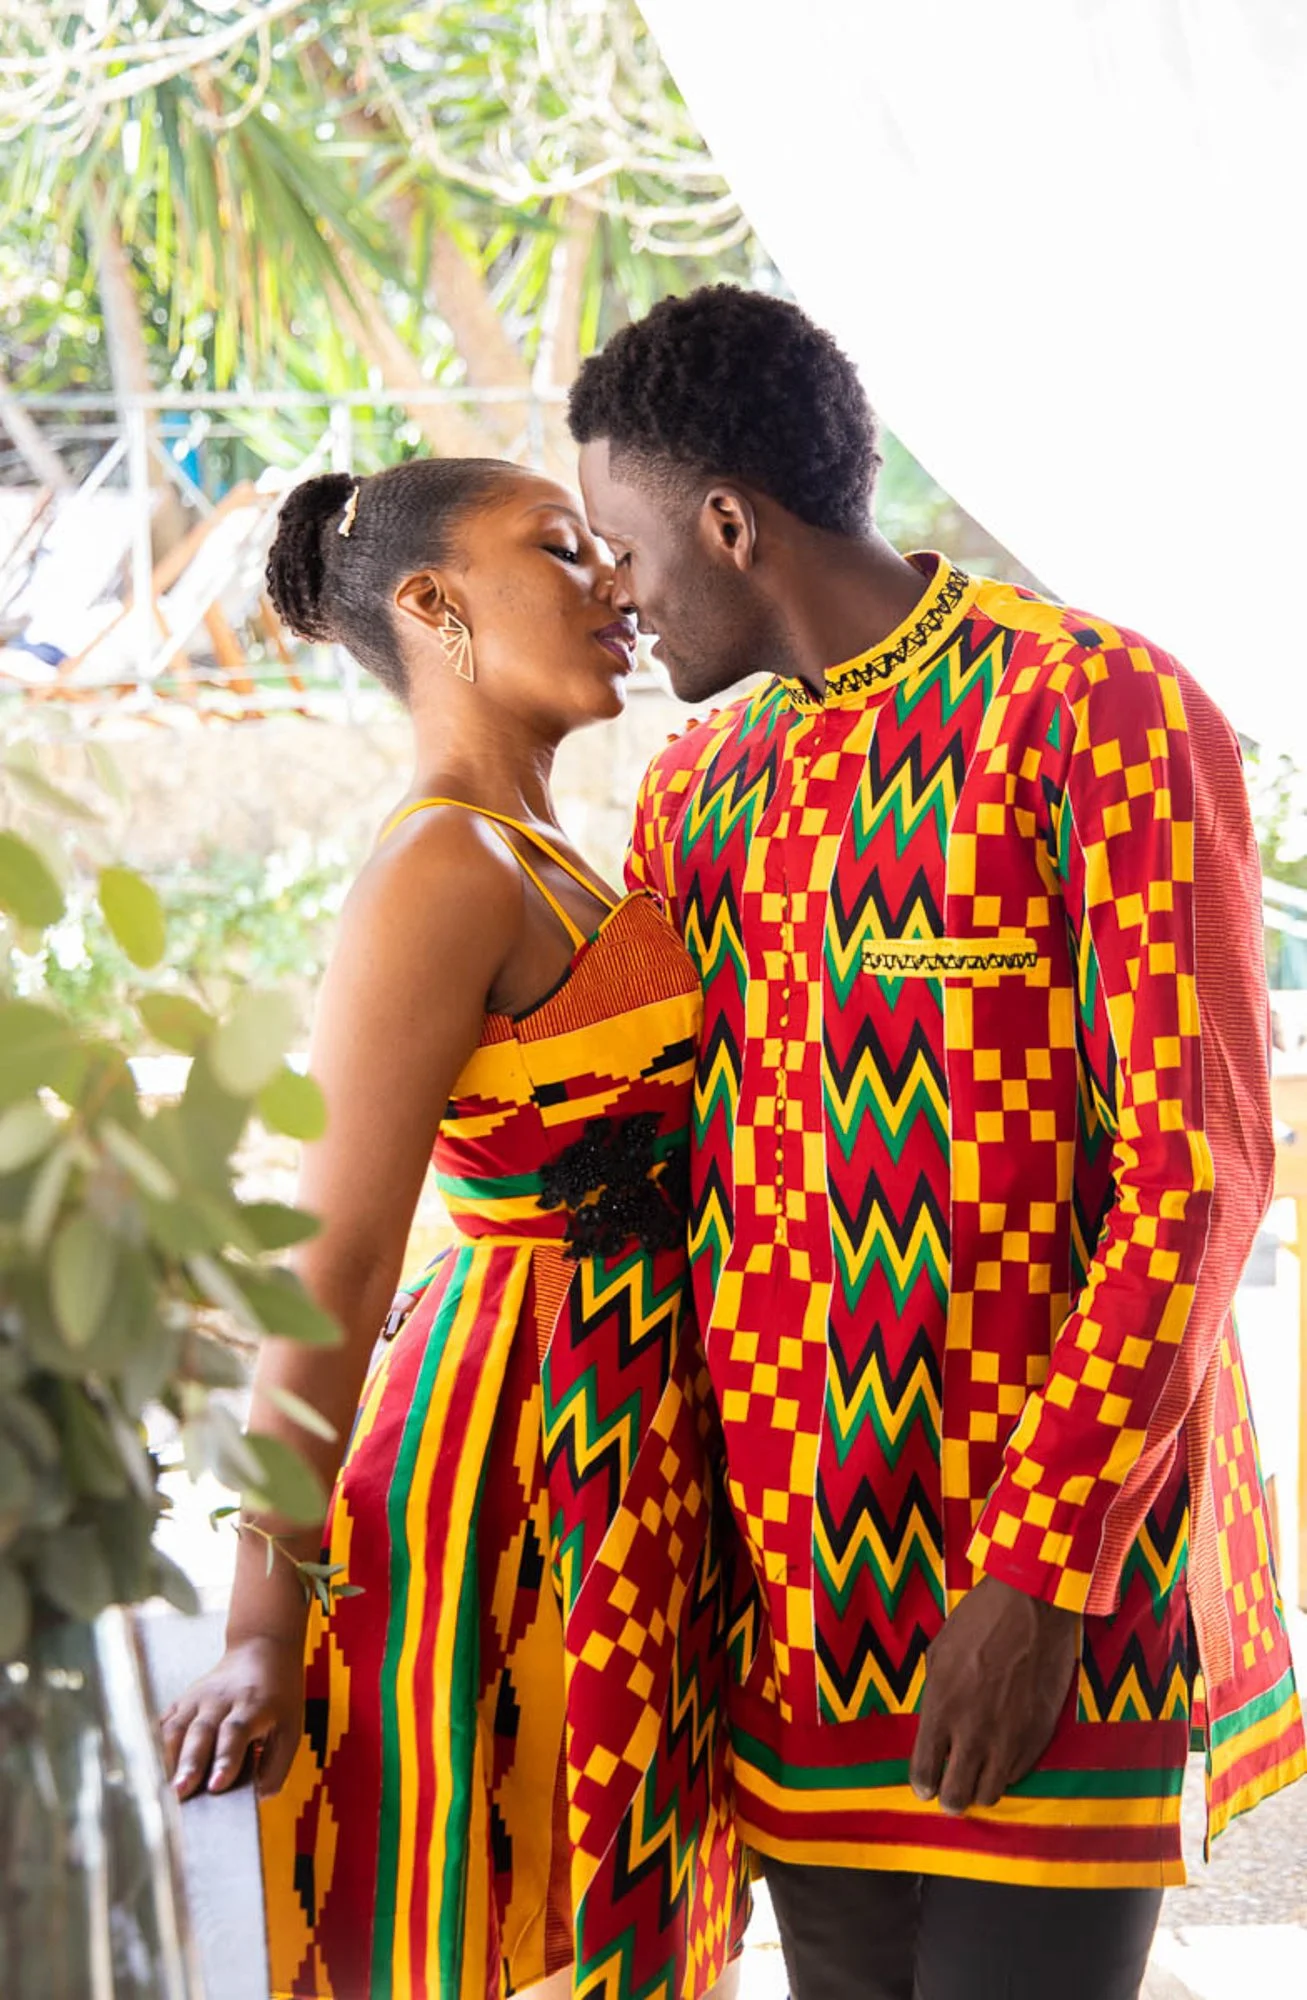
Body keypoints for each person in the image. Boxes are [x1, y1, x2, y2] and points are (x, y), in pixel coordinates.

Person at [569, 285, 1307, 2000]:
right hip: (792, 1609)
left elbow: (1197, 1179)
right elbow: (655, 1166)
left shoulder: (1096, 709)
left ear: (728, 524)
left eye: (623, 547)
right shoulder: (697, 789)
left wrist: (1038, 1573)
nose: (616, 592)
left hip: (1046, 1598)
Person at [159, 460, 750, 2000]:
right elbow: (335, 1257)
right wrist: (259, 1623)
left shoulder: (536, 848)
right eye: (560, 550)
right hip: (515, 1473)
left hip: (619, 1444)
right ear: (433, 606)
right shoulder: (442, 866)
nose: (615, 581)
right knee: (493, 1927)